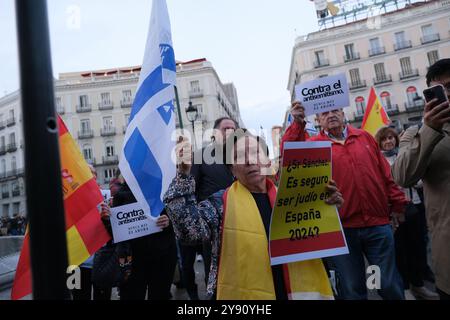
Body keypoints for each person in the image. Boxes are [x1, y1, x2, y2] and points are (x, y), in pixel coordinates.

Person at [164, 129, 344, 300]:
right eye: (239, 156)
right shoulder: (219, 204)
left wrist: (328, 210)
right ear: (232, 170)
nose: (249, 160)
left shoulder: (296, 197)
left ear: (267, 160)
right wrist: (183, 175)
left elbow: (320, 243)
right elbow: (189, 232)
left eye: (255, 152)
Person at [308, 109, 408, 300]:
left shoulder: (365, 137)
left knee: (385, 283)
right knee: (353, 288)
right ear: (318, 119)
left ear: (343, 113)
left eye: (335, 110)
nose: (331, 115)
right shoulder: (313, 146)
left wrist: (398, 205)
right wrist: (297, 124)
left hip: (376, 226)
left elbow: (386, 175)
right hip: (341, 232)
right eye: (325, 112)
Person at [391, 58, 450, 300]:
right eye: (440, 90)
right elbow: (402, 176)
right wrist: (430, 130)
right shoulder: (414, 134)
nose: (447, 94)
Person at [376, 126, 438, 300]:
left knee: (417, 248)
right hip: (393, 213)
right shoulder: (378, 160)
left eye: (391, 138)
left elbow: (417, 179)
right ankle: (404, 289)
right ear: (379, 142)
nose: (389, 142)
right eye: (384, 139)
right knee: (399, 252)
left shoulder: (404, 155)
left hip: (413, 208)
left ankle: (418, 285)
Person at [178, 117, 237, 299]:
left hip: (240, 224)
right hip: (212, 228)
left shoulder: (242, 157)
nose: (231, 132)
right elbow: (189, 191)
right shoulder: (201, 157)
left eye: (234, 129)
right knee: (215, 274)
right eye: (226, 128)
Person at [112, 180, 177, 300]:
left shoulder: (164, 190)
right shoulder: (121, 194)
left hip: (162, 256)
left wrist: (169, 221)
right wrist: (107, 219)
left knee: (160, 295)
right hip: (132, 260)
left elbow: (181, 219)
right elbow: (114, 231)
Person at [71, 164, 113, 300]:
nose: (91, 176)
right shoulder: (69, 202)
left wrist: (109, 218)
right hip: (75, 263)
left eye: (93, 173)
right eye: (86, 173)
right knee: (78, 296)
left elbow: (117, 231)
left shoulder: (108, 198)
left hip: (102, 262)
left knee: (103, 297)